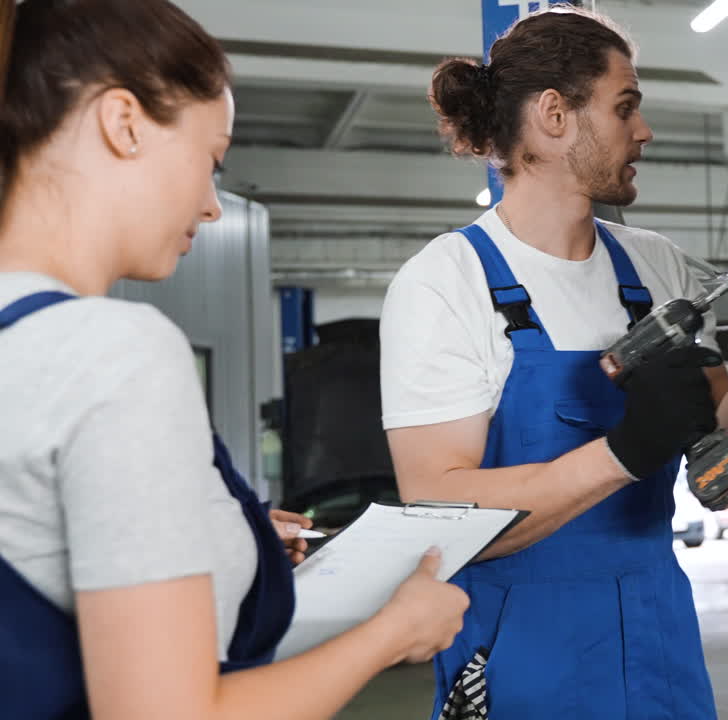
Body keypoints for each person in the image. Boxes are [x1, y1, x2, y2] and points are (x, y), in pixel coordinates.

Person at [0, 2, 468, 718]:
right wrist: (393, 631)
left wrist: (222, 535)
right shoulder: (114, 351)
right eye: (210, 161)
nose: (212, 206)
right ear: (122, 122)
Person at [380, 7, 728, 718]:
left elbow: (726, 467)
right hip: (518, 650)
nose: (644, 131)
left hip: (659, 636)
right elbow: (439, 509)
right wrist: (622, 454)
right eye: (625, 108)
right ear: (555, 116)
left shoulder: (654, 267)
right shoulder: (446, 282)